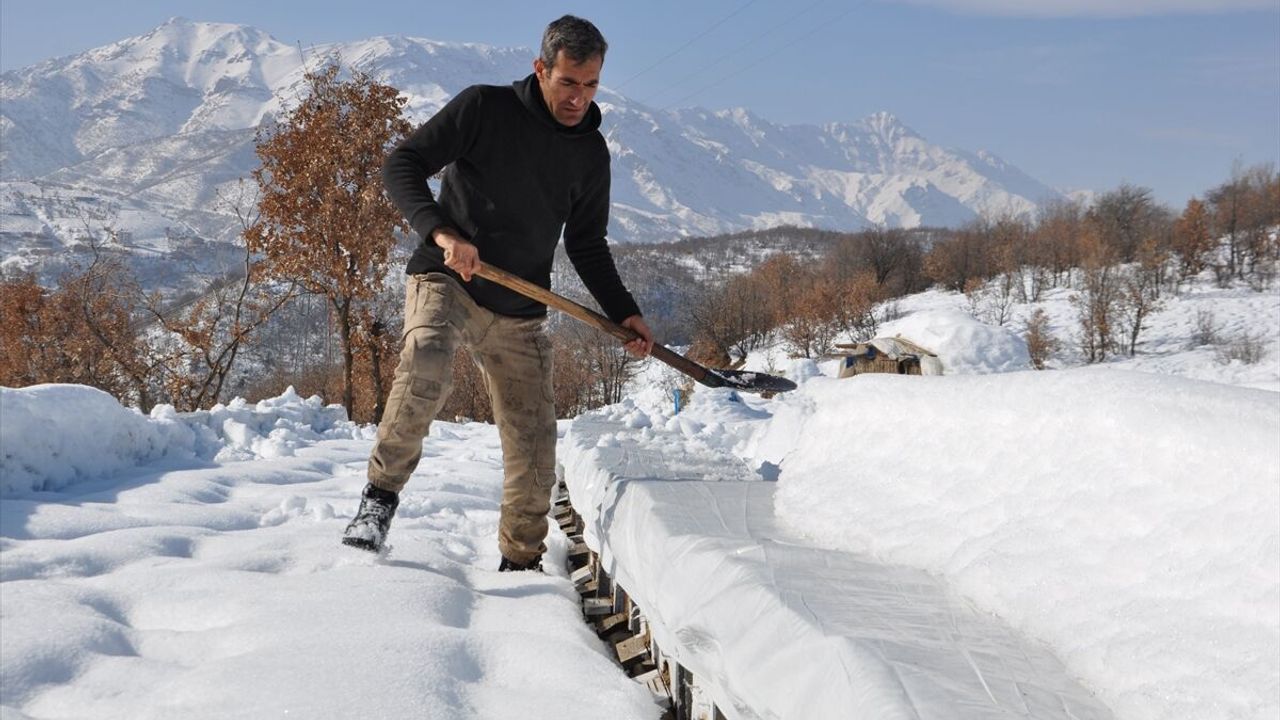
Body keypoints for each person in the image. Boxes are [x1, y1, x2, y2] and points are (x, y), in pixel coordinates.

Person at [342, 15, 653, 572]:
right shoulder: (484, 108)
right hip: (449, 278)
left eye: (591, 85)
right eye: (568, 83)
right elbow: (402, 163)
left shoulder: (590, 154)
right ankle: (378, 499)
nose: (579, 98)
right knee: (426, 359)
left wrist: (625, 312)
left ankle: (521, 560)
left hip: (522, 306)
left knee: (534, 444)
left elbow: (587, 245)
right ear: (541, 69)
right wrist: (444, 233)